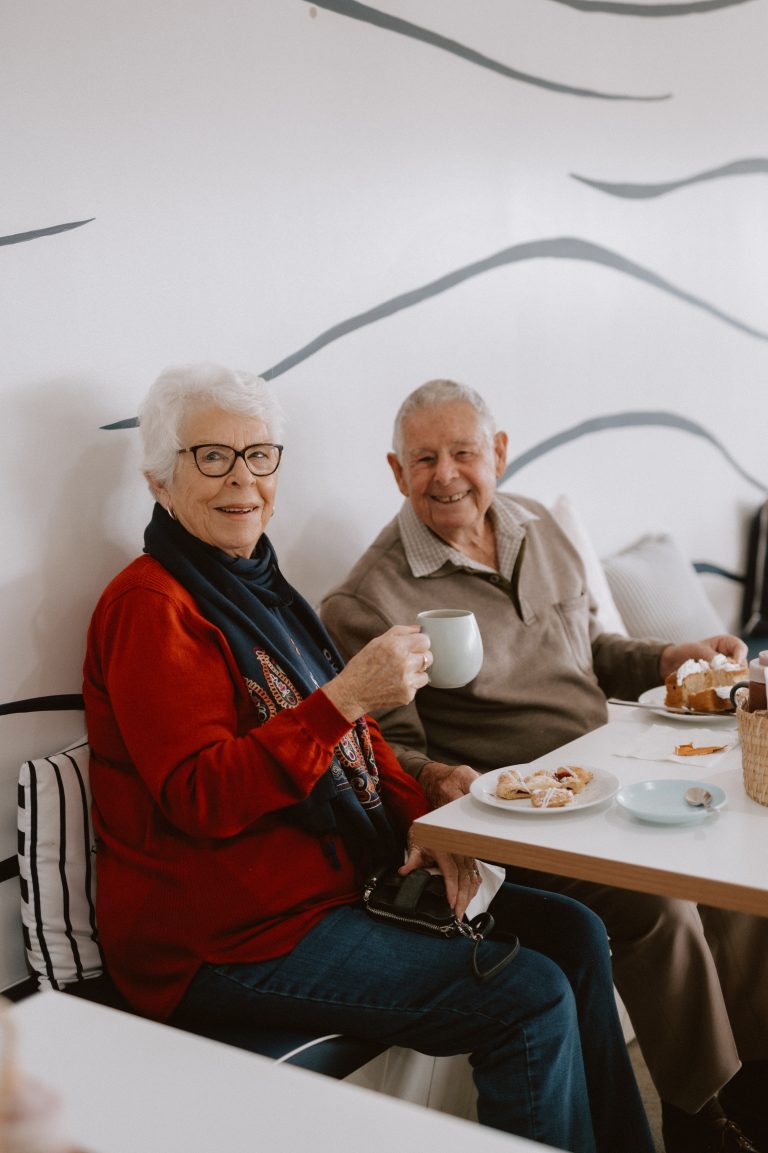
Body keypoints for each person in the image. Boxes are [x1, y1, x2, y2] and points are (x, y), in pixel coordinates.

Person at [82, 362, 654, 1153]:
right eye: (211, 457)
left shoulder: (255, 585)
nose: (241, 478)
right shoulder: (152, 606)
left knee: (576, 931)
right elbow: (200, 794)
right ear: (159, 479)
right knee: (527, 995)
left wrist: (432, 817)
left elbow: (357, 749)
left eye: (260, 455)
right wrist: (346, 696)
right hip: (223, 940)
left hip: (329, 888)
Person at [320, 377, 768, 1153]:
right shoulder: (368, 598)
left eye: (463, 452)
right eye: (423, 459)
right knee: (657, 909)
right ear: (395, 472)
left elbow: (589, 652)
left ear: (497, 452)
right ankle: (701, 1120)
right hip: (526, 816)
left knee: (736, 870)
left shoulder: (534, 526)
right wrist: (436, 781)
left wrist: (668, 654)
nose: (446, 474)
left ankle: (755, 1083)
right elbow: (392, 751)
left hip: (618, 772)